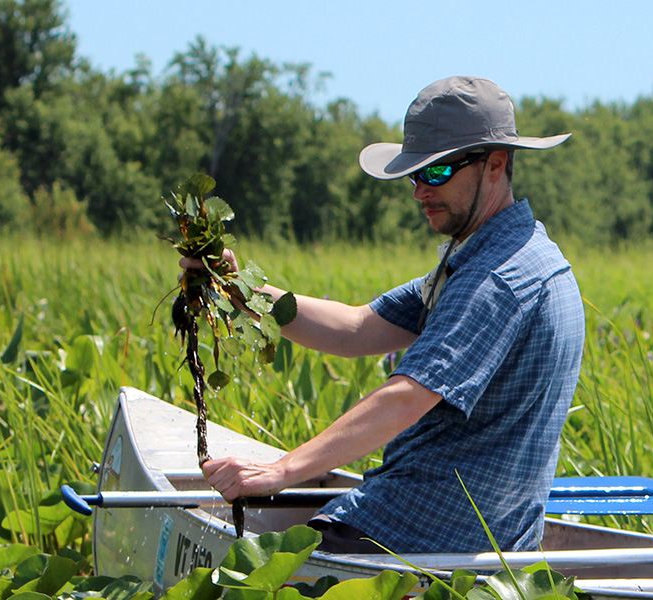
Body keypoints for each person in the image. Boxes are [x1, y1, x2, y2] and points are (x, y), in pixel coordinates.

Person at [192, 76, 585, 554]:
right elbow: (356, 328)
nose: (420, 191)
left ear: (495, 164)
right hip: (481, 533)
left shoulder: (497, 280)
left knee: (264, 568)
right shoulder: (509, 256)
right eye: (414, 175)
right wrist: (241, 290)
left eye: (436, 173)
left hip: (425, 530)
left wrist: (283, 470)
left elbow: (406, 397)